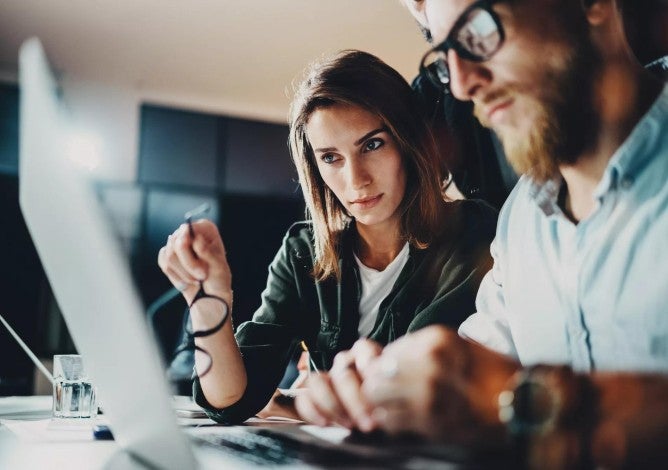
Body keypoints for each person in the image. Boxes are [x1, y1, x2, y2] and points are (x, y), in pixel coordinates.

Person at [295, 1, 668, 467]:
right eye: (445, 52)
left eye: (480, 31)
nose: (465, 84)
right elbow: (474, 367)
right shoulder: (519, 222)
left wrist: (526, 402)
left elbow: (497, 394)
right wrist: (384, 388)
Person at [157, 49, 497, 424]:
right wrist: (208, 298)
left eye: (372, 144)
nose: (356, 180)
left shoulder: (470, 232)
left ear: (408, 142)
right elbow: (230, 401)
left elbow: (406, 384)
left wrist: (297, 404)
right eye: (331, 158)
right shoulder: (304, 251)